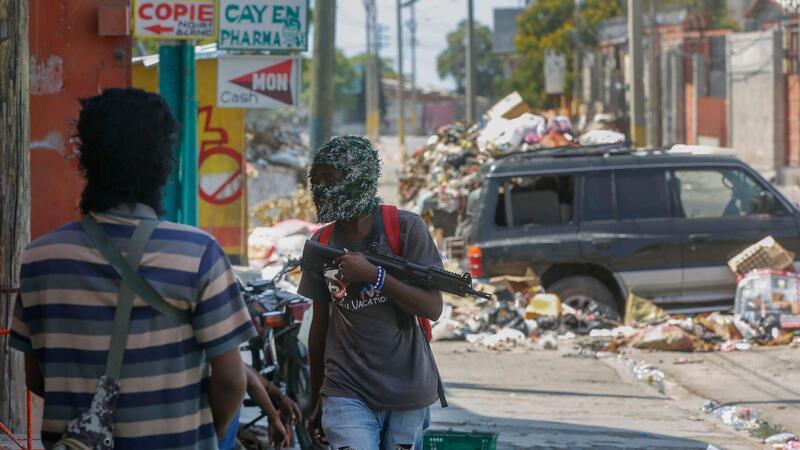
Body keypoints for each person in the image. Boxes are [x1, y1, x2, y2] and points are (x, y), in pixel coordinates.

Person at [9, 88, 256, 449]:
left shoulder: (40, 259)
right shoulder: (198, 254)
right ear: (163, 163)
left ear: (85, 158)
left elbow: (38, 377)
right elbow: (233, 381)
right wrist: (203, 436)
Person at [298, 135, 446, 450]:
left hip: (406, 390)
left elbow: (433, 307)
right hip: (345, 388)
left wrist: (375, 276)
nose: (321, 188)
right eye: (316, 180)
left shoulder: (405, 229)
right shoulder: (320, 244)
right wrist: (316, 397)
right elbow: (320, 326)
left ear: (359, 178)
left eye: (330, 178)